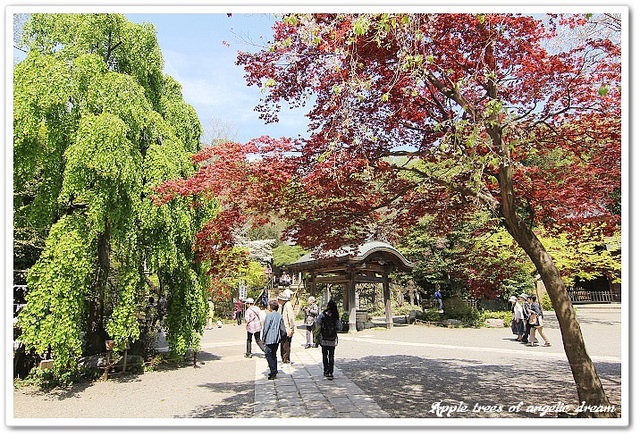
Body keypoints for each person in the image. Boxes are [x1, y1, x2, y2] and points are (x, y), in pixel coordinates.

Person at [316, 299, 342, 380]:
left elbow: (318, 323)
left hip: (324, 339)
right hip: (332, 339)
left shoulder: (323, 315)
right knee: (331, 356)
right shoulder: (335, 316)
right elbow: (339, 327)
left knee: (324, 355)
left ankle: (325, 371)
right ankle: (331, 371)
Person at [262, 300, 283, 380]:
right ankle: (275, 369)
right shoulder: (279, 315)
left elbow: (266, 328)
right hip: (277, 337)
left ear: (271, 307)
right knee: (274, 354)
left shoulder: (269, 316)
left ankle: (273, 371)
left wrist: (263, 338)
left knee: (268, 354)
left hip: (270, 337)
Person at [278, 291, 295, 365]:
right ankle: (284, 358)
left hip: (287, 328)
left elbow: (291, 318)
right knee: (283, 343)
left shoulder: (288, 305)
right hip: (284, 327)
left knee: (286, 344)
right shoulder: (284, 305)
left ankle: (286, 359)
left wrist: (291, 329)